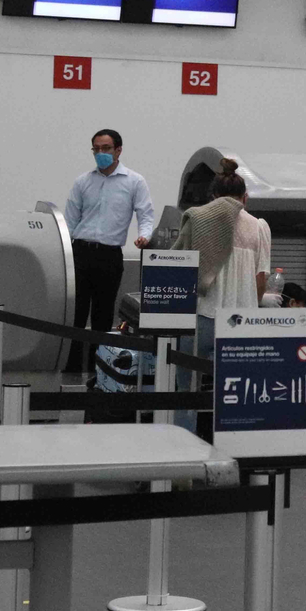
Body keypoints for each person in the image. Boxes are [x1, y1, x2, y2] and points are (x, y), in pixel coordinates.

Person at [171, 157, 270, 434]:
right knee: (238, 390)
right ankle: (235, 450)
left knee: (187, 388)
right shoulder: (260, 227)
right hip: (242, 324)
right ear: (245, 198)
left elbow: (179, 265)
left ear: (213, 196)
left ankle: (184, 454)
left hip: (200, 318)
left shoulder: (198, 218)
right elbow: (260, 280)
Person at [63, 129, 155, 373]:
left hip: (109, 255)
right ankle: (70, 368)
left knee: (103, 317)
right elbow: (70, 221)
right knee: (76, 314)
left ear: (118, 150)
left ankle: (98, 370)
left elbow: (145, 213)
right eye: (96, 149)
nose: (100, 153)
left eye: (106, 148)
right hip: (80, 253)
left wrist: (144, 236)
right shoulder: (83, 181)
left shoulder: (134, 181)